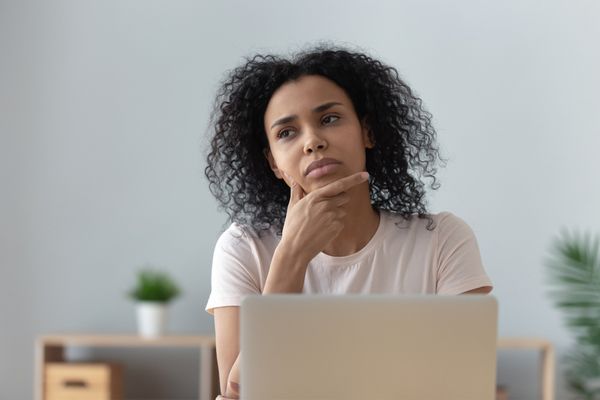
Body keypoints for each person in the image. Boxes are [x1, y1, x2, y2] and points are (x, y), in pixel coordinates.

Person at [204, 44, 493, 400]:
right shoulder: (244, 248)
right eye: (286, 133)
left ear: (367, 132)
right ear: (273, 164)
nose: (313, 141)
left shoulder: (442, 240)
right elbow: (237, 391)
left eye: (329, 119)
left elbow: (465, 386)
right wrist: (291, 256)